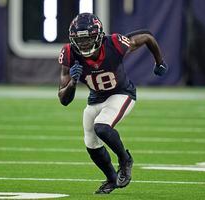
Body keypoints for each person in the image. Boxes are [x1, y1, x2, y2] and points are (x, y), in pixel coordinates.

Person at [58, 13, 168, 194]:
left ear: (99, 35)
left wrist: (160, 61)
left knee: (101, 127)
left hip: (121, 93)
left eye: (89, 39)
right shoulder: (69, 53)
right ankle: (111, 179)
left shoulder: (115, 44)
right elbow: (63, 100)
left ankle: (125, 160)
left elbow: (147, 36)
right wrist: (73, 82)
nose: (85, 44)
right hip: (95, 99)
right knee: (91, 144)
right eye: (81, 40)